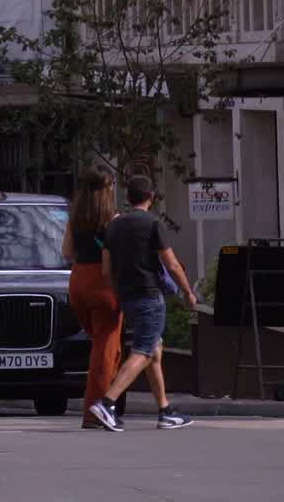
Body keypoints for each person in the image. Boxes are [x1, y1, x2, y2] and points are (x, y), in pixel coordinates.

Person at [88, 175, 196, 432]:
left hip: (127, 296)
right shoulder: (153, 223)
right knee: (143, 351)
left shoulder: (114, 226)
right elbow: (170, 263)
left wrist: (119, 291)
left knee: (154, 350)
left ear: (128, 198)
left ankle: (165, 410)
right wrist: (188, 292)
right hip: (149, 295)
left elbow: (106, 270)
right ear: (152, 198)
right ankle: (106, 402)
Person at [66, 169, 124, 429]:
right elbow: (115, 260)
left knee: (107, 348)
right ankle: (95, 410)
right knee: (104, 350)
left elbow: (67, 252)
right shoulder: (113, 219)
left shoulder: (75, 218)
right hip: (104, 284)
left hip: (78, 282)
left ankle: (108, 402)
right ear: (108, 188)